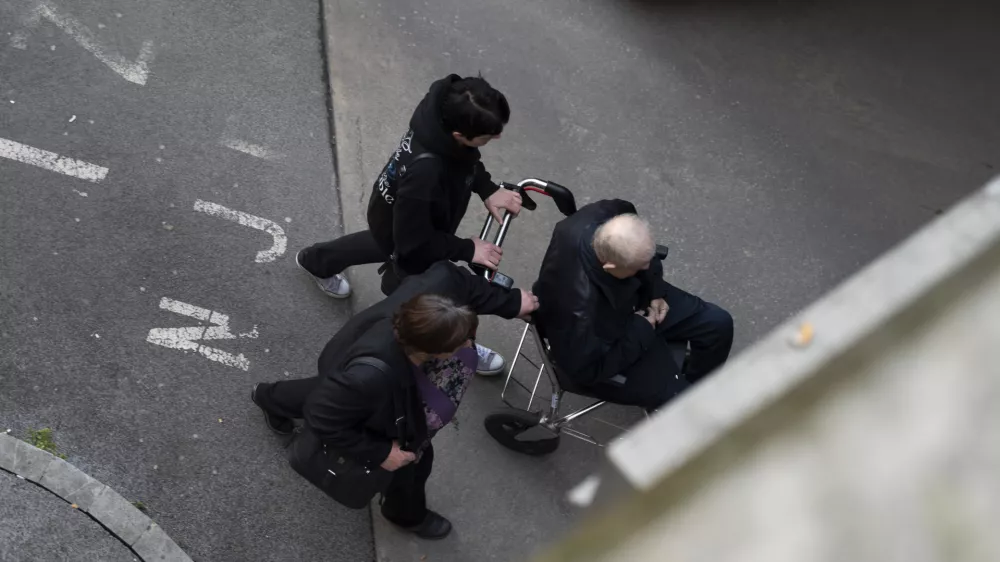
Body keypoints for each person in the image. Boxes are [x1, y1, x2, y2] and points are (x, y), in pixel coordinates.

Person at [250, 261, 539, 539]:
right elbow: (322, 415)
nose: (467, 346)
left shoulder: (440, 292)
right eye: (458, 344)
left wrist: (512, 303)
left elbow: (454, 275)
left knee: (328, 395)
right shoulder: (371, 379)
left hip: (351, 369)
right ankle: (406, 515)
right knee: (412, 462)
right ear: (431, 352)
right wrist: (381, 453)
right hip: (362, 382)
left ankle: (268, 397)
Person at [295, 74, 523, 376]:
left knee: (383, 240)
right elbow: (415, 245)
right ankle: (456, 345)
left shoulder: (441, 114)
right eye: (486, 136)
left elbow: (465, 160)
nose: (496, 139)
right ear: (458, 134)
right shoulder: (426, 173)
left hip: (396, 215)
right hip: (412, 229)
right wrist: (467, 249)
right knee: (430, 294)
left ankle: (317, 260)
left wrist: (487, 188)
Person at [532, 199, 734, 412]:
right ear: (609, 265)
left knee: (717, 323)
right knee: (681, 400)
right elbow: (587, 370)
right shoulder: (577, 311)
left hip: (633, 301)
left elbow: (646, 259)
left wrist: (655, 291)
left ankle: (697, 386)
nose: (648, 266)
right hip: (607, 348)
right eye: (640, 266)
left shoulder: (606, 214)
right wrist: (642, 328)